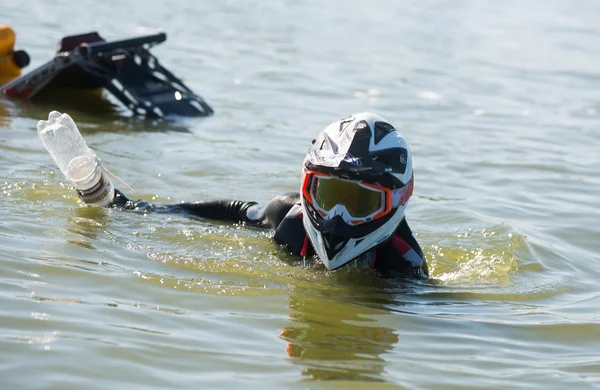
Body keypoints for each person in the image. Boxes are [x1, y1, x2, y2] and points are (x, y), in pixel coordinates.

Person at [107, 112, 427, 277]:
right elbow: (232, 211)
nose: (336, 217)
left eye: (360, 203)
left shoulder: (403, 265)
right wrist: (135, 207)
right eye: (327, 195)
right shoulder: (290, 219)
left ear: (397, 201)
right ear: (306, 187)